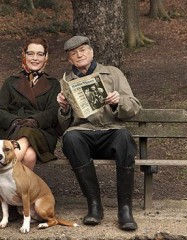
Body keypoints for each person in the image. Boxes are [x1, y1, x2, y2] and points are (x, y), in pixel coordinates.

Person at [57, 36, 142, 231]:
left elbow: (135, 107)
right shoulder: (66, 81)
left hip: (110, 133)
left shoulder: (113, 73)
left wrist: (117, 101)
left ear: (92, 52)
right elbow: (62, 127)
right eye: (73, 53)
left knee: (124, 137)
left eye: (83, 50)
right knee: (70, 137)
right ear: (70, 60)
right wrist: (63, 109)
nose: (79, 55)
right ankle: (94, 206)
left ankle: (125, 210)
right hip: (83, 135)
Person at [0, 37, 61, 210]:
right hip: (14, 132)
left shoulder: (54, 84)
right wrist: (14, 121)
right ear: (23, 55)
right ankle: (16, 205)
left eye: (40, 54)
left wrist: (35, 120)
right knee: (28, 155)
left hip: (43, 134)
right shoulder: (10, 81)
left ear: (46, 57)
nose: (35, 58)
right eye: (30, 53)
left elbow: (54, 112)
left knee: (28, 132)